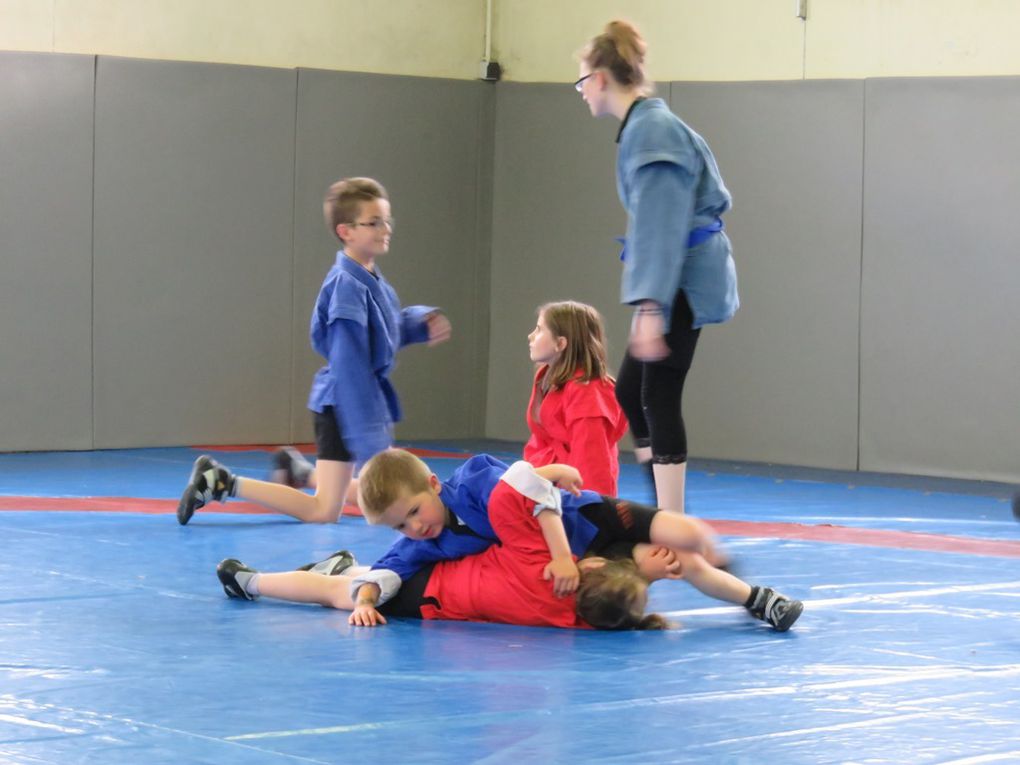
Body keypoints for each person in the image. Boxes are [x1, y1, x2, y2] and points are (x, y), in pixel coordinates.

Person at [176, 177, 451, 525]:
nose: (385, 228)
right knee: (324, 511)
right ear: (345, 230)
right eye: (374, 222)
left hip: (348, 403)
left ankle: (299, 472)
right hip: (343, 405)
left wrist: (416, 323)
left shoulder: (369, 277)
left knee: (362, 494)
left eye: (387, 220)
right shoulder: (346, 288)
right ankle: (223, 481)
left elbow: (386, 331)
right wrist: (371, 443)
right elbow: (351, 368)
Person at [351, 449, 802, 630]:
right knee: (685, 565)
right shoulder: (427, 541)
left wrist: (562, 554)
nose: (415, 528)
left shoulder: (473, 482)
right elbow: (392, 567)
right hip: (590, 555)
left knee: (687, 536)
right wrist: (365, 599)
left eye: (413, 512)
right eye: (401, 525)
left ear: (432, 484)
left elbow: (535, 492)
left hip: (583, 516)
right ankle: (759, 601)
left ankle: (733, 578)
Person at [576, 21, 739, 514]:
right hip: (674, 275)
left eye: (583, 82)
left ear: (601, 78)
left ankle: (674, 525)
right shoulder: (644, 128)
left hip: (683, 278)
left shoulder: (653, 133)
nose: (582, 93)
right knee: (631, 391)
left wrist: (650, 306)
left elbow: (662, 226)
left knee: (658, 393)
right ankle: (661, 513)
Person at [213, 472, 674, 631]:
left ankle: (249, 582)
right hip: (439, 584)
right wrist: (640, 577)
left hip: (434, 589)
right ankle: (348, 568)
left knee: (341, 593)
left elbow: (519, 483)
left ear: (590, 564)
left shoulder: (537, 559)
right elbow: (609, 605)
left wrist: (638, 569)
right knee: (360, 579)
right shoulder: (573, 617)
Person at [524, 301, 627, 496]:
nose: (530, 336)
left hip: (571, 491)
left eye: (538, 330)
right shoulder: (548, 379)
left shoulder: (588, 392)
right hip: (546, 480)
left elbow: (592, 459)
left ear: (561, 343)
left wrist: (589, 510)